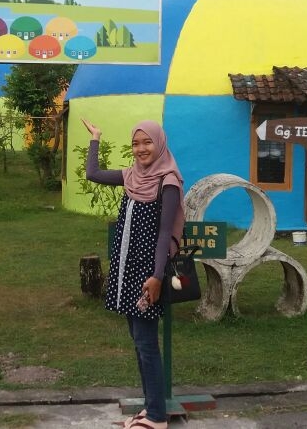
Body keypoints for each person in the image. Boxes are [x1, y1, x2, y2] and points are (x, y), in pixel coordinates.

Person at [82, 118, 183, 429]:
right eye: (136, 143)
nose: (141, 149)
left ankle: (156, 417)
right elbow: (93, 173)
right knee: (139, 343)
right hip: (126, 270)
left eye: (147, 142)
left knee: (147, 344)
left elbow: (165, 234)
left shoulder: (167, 181)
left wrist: (156, 276)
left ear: (159, 143)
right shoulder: (131, 176)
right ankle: (151, 409)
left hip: (146, 275)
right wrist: (96, 138)